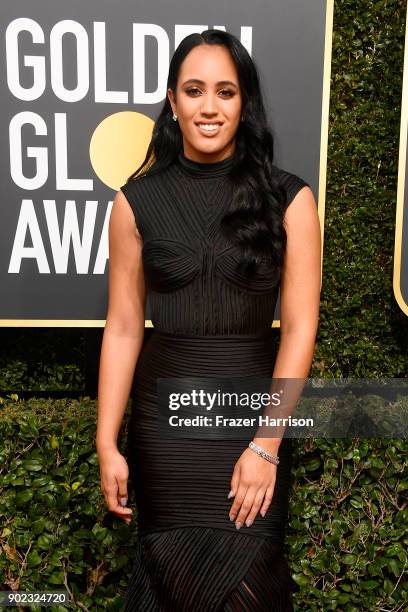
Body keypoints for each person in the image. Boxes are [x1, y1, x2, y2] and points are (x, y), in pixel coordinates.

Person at [96, 28, 321, 612]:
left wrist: (267, 443)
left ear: (244, 101)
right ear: (172, 101)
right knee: (168, 583)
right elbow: (122, 328)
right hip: (163, 432)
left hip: (252, 421)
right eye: (194, 90)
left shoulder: (289, 199)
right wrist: (106, 439)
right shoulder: (134, 203)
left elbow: (299, 329)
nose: (209, 106)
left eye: (225, 91)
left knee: (248, 588)